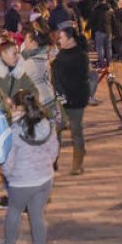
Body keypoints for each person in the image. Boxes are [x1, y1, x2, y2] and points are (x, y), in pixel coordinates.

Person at [0, 90, 58, 244]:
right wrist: (45, 165)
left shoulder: (14, 129)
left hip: (21, 180)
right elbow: (54, 150)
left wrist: (9, 175)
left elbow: (7, 160)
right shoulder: (47, 124)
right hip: (44, 178)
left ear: (16, 107)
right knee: (37, 216)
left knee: (14, 211)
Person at [51, 26, 90, 175]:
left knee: (76, 131)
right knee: (57, 130)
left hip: (75, 101)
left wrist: (69, 99)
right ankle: (53, 160)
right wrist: (61, 99)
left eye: (61, 38)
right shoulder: (61, 55)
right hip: (61, 100)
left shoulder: (80, 56)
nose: (59, 41)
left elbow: (80, 81)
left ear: (70, 39)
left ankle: (77, 163)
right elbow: (57, 81)